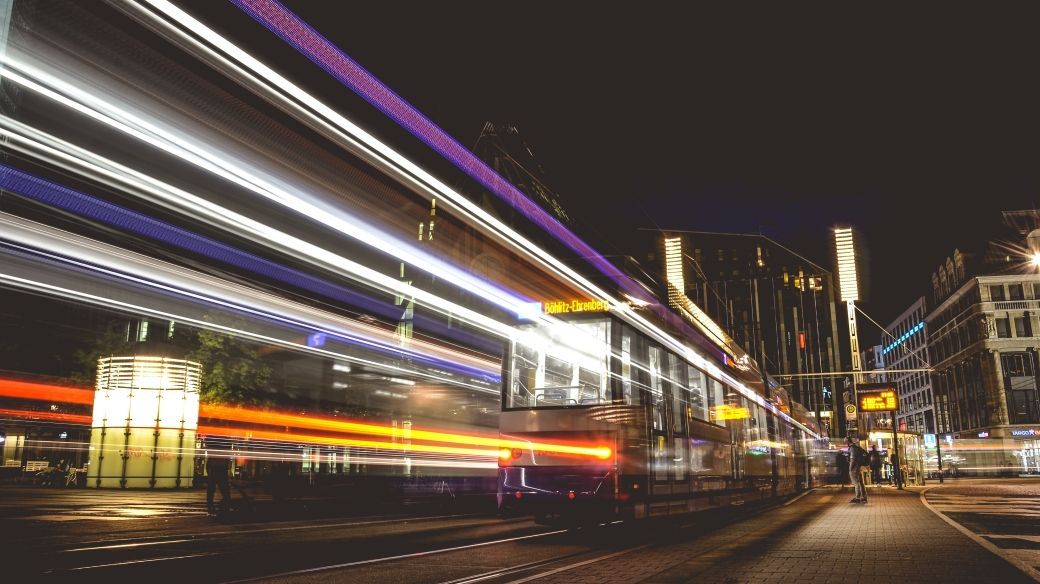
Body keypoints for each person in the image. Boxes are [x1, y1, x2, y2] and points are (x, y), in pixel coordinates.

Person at [847, 436, 868, 504]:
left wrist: (850, 468)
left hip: (854, 468)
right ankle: (864, 497)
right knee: (861, 482)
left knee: (856, 483)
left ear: (848, 441)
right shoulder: (856, 447)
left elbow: (853, 459)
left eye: (845, 441)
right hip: (858, 467)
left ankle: (858, 497)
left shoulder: (852, 448)